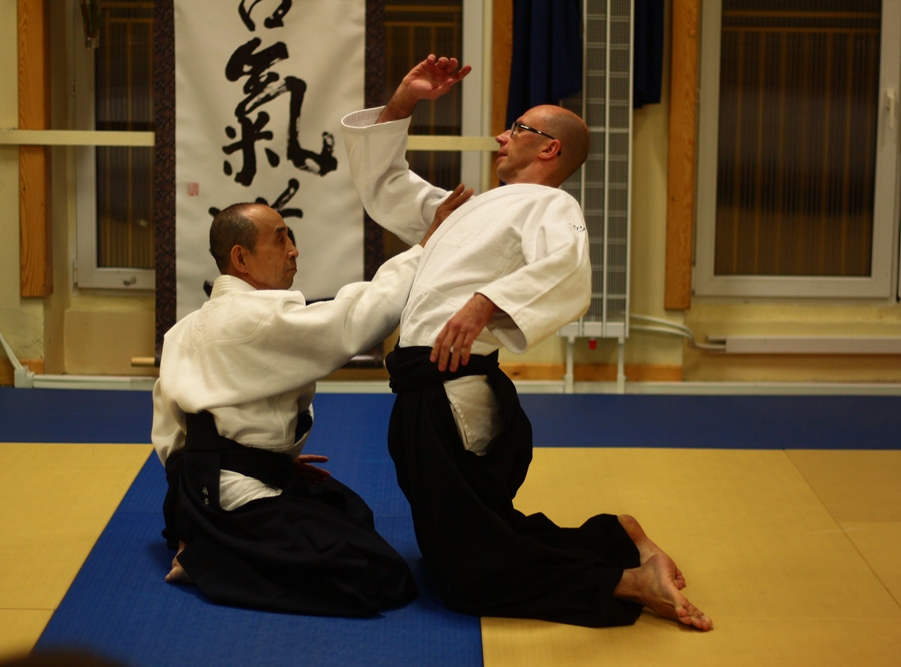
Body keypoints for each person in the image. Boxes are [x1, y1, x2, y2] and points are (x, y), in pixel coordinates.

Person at [341, 55, 712, 630]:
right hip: (422, 388)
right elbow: (386, 187)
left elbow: (568, 268)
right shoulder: (467, 209)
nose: (500, 136)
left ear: (549, 149)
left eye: (517, 128)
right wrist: (404, 101)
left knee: (466, 575)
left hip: (450, 388)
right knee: (476, 534)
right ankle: (615, 540)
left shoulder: (551, 204)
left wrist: (485, 302)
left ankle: (626, 580)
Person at [150, 194, 467, 616]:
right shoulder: (256, 317)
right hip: (230, 494)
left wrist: (261, 456)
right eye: (280, 239)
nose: (294, 250)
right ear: (241, 258)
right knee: (379, 577)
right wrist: (423, 250)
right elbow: (355, 318)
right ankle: (208, 560)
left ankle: (200, 531)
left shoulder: (184, 329)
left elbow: (174, 431)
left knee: (349, 509)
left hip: (192, 491)